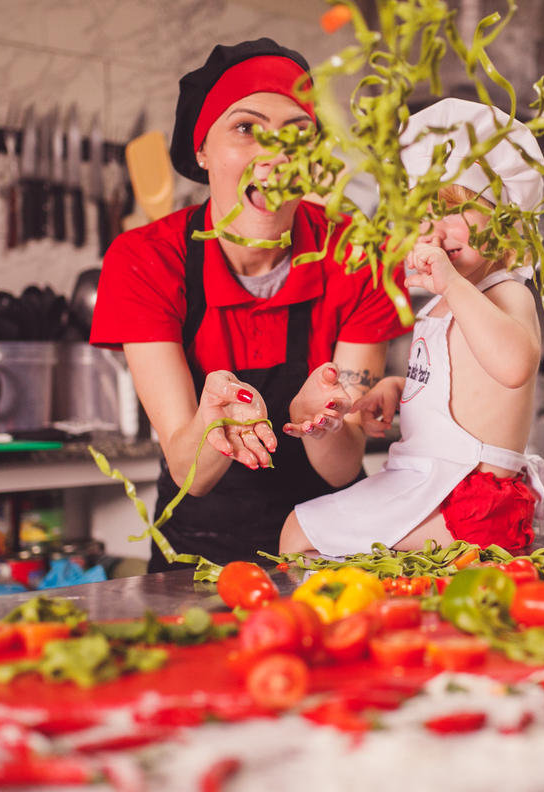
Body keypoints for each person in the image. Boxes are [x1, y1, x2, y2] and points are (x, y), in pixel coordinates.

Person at [91, 39, 410, 571]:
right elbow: (190, 472)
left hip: (328, 551)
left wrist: (326, 422)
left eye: (298, 135)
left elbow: (343, 466)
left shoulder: (359, 256)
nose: (277, 155)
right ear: (202, 150)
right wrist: (212, 421)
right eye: (246, 127)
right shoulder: (147, 260)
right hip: (199, 560)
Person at [280, 98, 544, 557]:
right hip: (435, 486)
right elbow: (462, 383)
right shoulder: (447, 302)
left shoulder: (507, 294)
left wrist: (452, 286)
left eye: (453, 210)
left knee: (303, 533)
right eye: (421, 216)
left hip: (475, 505)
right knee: (300, 529)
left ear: (505, 225)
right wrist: (399, 388)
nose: (434, 230)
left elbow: (514, 365)